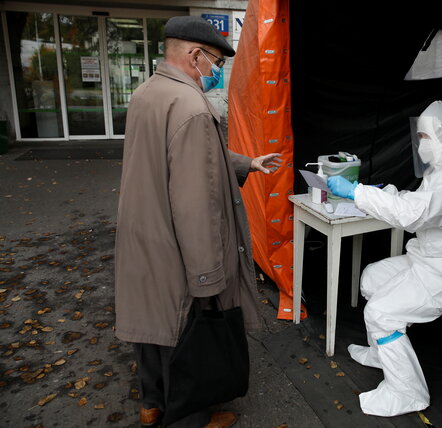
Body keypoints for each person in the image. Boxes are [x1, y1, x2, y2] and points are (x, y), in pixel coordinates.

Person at [114, 16, 281, 428]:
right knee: (182, 332)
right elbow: (196, 202)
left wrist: (247, 163)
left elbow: (177, 158)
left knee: (151, 326)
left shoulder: (148, 93)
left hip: (142, 233)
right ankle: (186, 419)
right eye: (218, 63)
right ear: (195, 55)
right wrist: (207, 278)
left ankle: (152, 404)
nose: (218, 72)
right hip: (176, 243)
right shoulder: (191, 107)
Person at [327, 100, 442, 417]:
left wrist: (357, 192)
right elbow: (421, 204)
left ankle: (408, 391)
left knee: (380, 313)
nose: (421, 144)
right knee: (372, 277)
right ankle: (381, 352)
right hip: (430, 261)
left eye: (426, 137)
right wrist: (383, 193)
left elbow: (413, 215)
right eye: (421, 136)